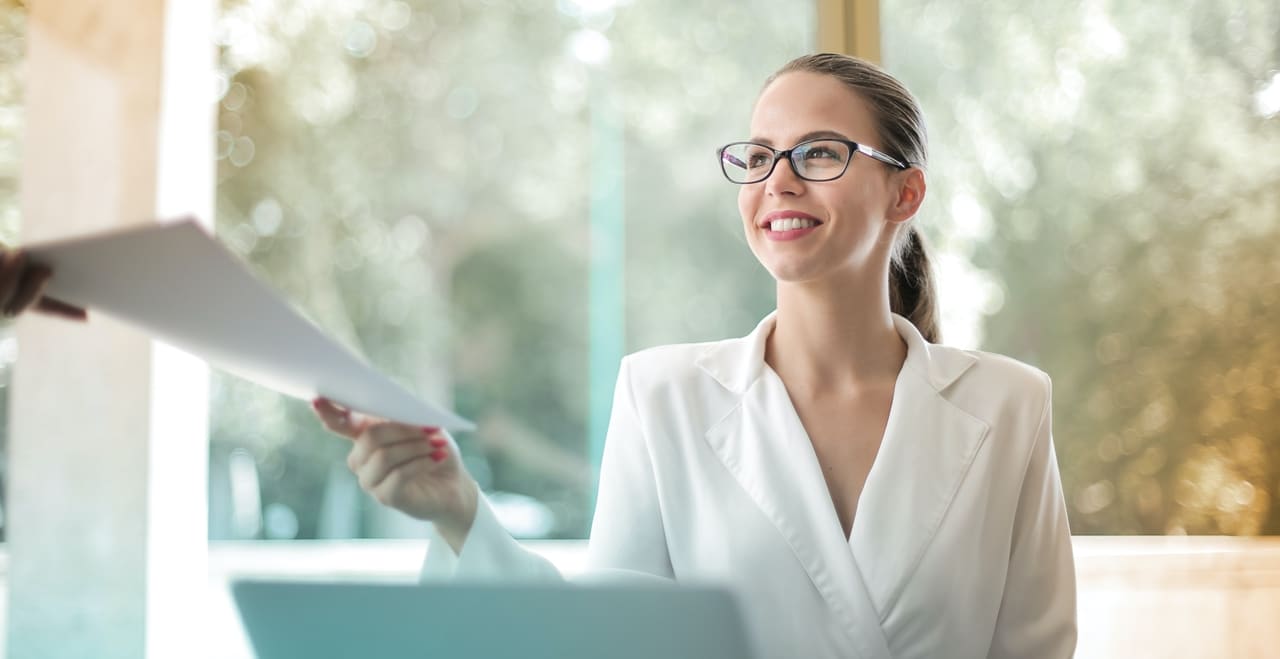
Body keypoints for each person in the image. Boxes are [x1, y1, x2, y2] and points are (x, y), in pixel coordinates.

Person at [7, 53, 1075, 658]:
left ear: (903, 192)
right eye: (755, 155)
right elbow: (605, 643)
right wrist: (459, 509)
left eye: (819, 153)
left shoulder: (1005, 407)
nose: (777, 179)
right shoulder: (660, 393)